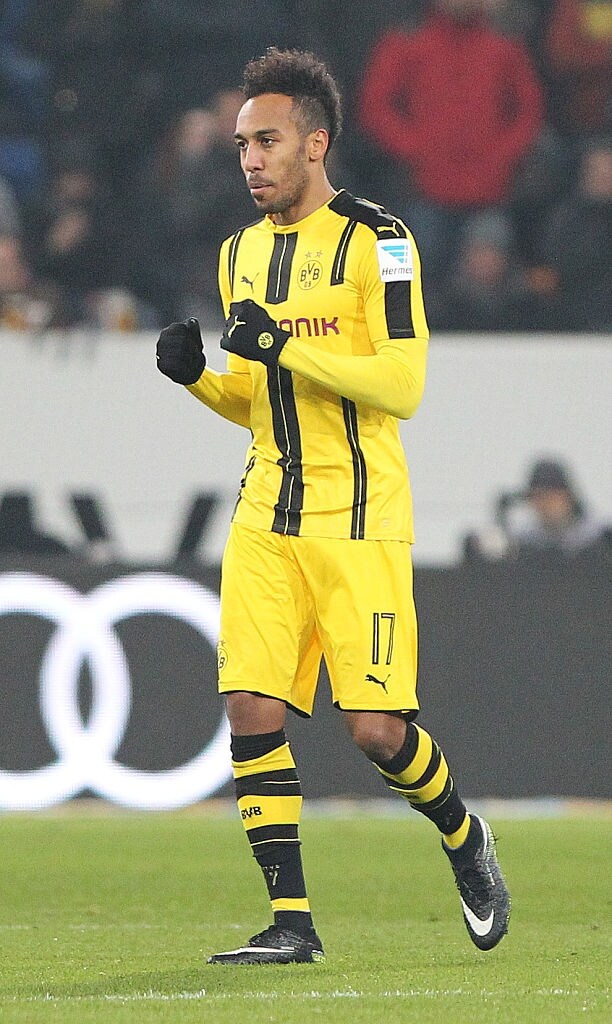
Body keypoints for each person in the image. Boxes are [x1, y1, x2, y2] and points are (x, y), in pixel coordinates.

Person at [156, 47, 510, 966]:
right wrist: (200, 380)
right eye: (242, 145)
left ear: (316, 144)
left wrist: (282, 346)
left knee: (377, 731)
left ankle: (464, 835)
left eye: (267, 142)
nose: (251, 160)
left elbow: (401, 385)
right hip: (265, 512)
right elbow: (260, 400)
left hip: (357, 517)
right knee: (249, 706)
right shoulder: (238, 254)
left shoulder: (379, 241)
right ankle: (292, 923)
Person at [357, 0, 544, 281]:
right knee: (417, 276)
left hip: (489, 193)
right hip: (425, 191)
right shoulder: (408, 40)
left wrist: (502, 155)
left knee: (484, 279)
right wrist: (414, 148)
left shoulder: (504, 42)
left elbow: (529, 109)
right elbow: (376, 105)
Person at [464, 457, 610, 562]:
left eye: (549, 497)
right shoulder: (525, 537)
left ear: (567, 496)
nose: (543, 505)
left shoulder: (599, 534)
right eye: (536, 498)